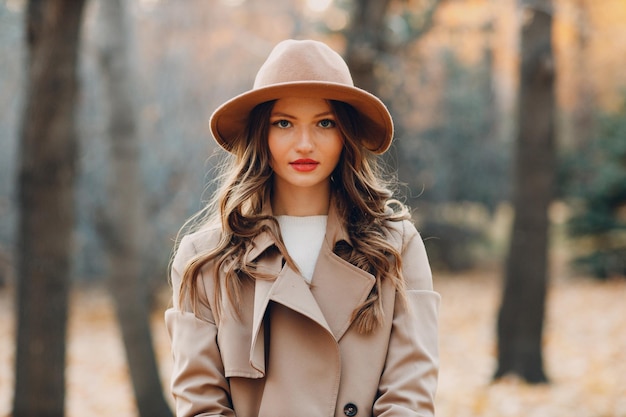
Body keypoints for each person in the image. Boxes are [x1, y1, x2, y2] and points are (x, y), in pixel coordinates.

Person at [165, 39, 440, 417]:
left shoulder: (396, 247)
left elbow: (409, 399)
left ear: (346, 135)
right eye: (284, 123)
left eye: (324, 123)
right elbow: (200, 405)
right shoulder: (204, 259)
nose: (305, 144)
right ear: (262, 134)